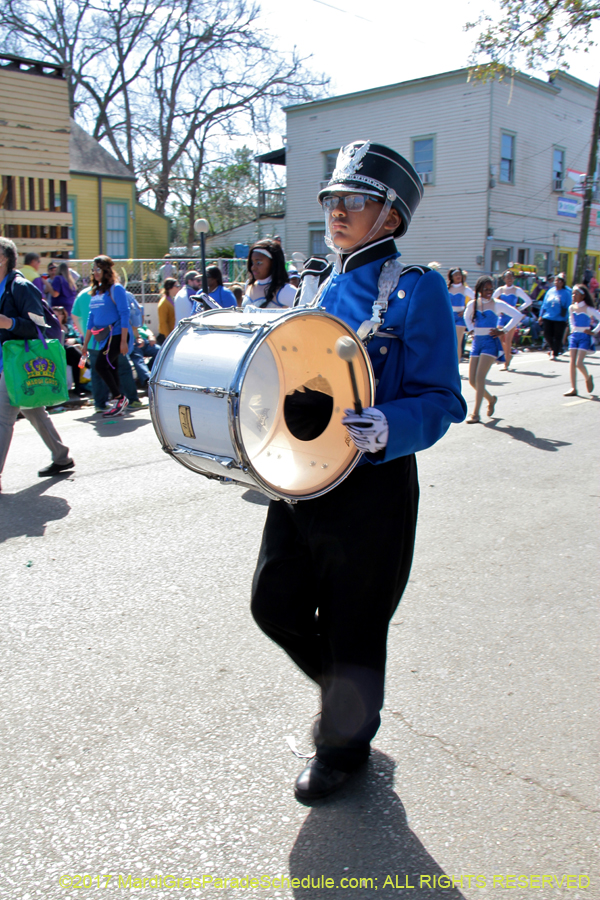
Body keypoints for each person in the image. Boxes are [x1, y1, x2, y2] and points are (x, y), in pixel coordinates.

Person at [250, 140, 466, 802]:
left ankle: (344, 746)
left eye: (356, 201)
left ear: (391, 217)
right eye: (332, 201)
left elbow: (442, 398)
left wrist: (390, 427)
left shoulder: (417, 288)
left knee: (354, 623)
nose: (338, 211)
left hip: (373, 483)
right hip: (303, 472)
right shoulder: (319, 281)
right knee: (273, 603)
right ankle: (353, 698)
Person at [0, 237, 74, 492]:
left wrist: (9, 323)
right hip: (6, 363)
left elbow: (39, 326)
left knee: (2, 418)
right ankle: (61, 456)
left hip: (17, 365)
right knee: (33, 411)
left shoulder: (20, 286)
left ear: (3, 258)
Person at [463, 275, 523, 424]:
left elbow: (517, 315)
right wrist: (471, 329)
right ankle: (491, 399)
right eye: (486, 289)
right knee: (472, 381)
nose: (489, 291)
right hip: (477, 342)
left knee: (480, 378)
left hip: (490, 343)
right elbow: (466, 316)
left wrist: (504, 330)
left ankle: (475, 414)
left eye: (491, 289)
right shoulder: (473, 304)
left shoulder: (498, 304)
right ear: (479, 290)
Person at [80, 255, 133, 417]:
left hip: (117, 336)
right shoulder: (97, 291)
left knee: (101, 366)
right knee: (111, 368)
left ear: (106, 270)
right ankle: (119, 404)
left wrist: (123, 341)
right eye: (93, 270)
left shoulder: (116, 289)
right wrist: (85, 343)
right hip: (106, 338)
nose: (95, 272)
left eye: (98, 269)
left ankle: (119, 398)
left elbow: (125, 314)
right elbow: (91, 319)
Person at [563, 284, 600, 396]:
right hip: (574, 336)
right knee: (572, 362)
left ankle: (587, 377)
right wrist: (572, 330)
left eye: (576, 293)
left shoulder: (588, 309)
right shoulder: (571, 307)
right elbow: (571, 320)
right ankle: (573, 388)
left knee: (579, 363)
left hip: (585, 337)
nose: (574, 295)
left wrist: (594, 331)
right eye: (573, 293)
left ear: (583, 296)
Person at [492, 269, 532, 370]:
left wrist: (518, 308)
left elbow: (528, 301)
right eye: (507, 277)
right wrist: (498, 309)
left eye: (511, 277)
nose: (509, 279)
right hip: (502, 317)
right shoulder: (500, 290)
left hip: (512, 317)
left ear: (513, 278)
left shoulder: (516, 290)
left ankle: (506, 363)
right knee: (499, 338)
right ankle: (507, 355)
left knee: (508, 339)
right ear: (504, 279)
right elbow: (491, 300)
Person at [242, 240, 296, 309]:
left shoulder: (286, 290)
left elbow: (307, 314)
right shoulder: (249, 285)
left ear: (273, 263)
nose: (253, 267)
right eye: (252, 262)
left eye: (259, 263)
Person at [54, 306, 87, 397]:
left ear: (63, 316)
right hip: (59, 353)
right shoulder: (52, 329)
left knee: (74, 358)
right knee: (71, 350)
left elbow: (80, 339)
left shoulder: (68, 328)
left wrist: (74, 341)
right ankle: (88, 366)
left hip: (71, 355)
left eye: (57, 316)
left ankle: (78, 387)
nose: (54, 318)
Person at [538, 273, 570, 360]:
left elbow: (568, 307)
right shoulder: (550, 291)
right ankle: (554, 348)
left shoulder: (566, 293)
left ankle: (554, 352)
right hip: (548, 316)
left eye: (559, 281)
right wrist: (541, 315)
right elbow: (544, 304)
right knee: (547, 334)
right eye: (556, 280)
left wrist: (568, 318)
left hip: (560, 318)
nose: (557, 282)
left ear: (563, 283)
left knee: (557, 336)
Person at [447, 267, 474, 365]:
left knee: (457, 341)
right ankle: (449, 363)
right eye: (456, 275)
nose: (458, 276)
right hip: (449, 317)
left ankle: (456, 365)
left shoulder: (465, 289)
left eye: (460, 274)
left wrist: (466, 310)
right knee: (449, 341)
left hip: (460, 317)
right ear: (451, 277)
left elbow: (476, 300)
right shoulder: (447, 288)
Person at [157, 277, 178, 343]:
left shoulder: (173, 299)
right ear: (170, 287)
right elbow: (163, 322)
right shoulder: (164, 303)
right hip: (165, 337)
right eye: (177, 286)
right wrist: (168, 337)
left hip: (172, 333)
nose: (179, 288)